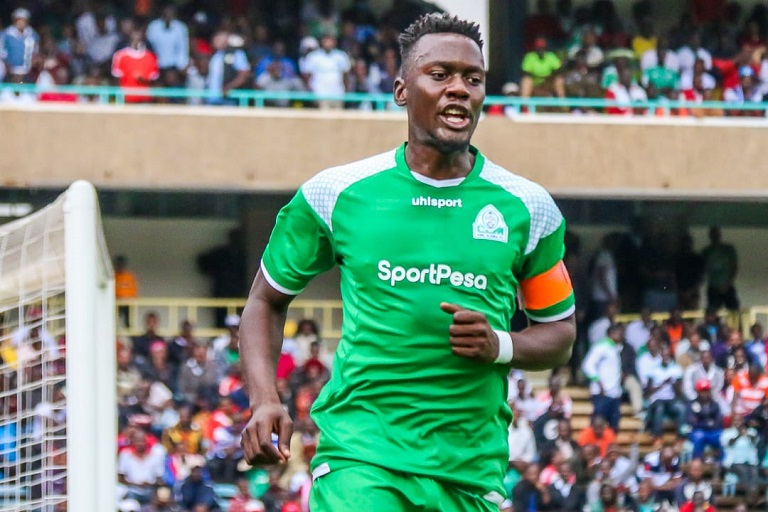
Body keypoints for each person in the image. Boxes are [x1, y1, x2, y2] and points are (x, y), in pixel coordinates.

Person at [239, 13, 576, 512]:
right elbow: (265, 301)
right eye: (439, 75)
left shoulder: (529, 207)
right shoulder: (336, 193)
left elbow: (559, 333)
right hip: (361, 459)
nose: (458, 88)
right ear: (401, 90)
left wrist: (501, 344)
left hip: (469, 471)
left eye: (473, 78)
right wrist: (265, 398)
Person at [582, 323, 623, 430]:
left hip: (614, 394)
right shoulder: (601, 346)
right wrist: (598, 382)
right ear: (611, 333)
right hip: (602, 393)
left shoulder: (615, 348)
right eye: (619, 333)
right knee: (596, 425)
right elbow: (587, 365)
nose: (622, 335)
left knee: (614, 426)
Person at [645, 343, 686, 444]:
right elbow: (648, 390)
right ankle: (658, 436)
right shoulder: (653, 369)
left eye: (667, 354)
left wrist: (674, 384)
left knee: (682, 409)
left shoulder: (676, 369)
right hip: (657, 399)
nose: (665, 357)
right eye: (663, 354)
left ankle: (680, 437)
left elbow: (679, 392)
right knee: (659, 409)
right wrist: (663, 384)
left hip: (671, 400)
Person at [301, 34, 351, 109]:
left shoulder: (341, 56)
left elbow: (346, 76)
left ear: (334, 42)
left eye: (330, 41)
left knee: (338, 119)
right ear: (321, 42)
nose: (328, 43)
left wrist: (345, 93)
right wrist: (311, 94)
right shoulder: (313, 57)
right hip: (320, 94)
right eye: (325, 41)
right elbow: (307, 77)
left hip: (338, 94)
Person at [145, 4, 189, 88]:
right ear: (162, 12)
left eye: (171, 12)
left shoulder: (180, 27)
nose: (169, 14)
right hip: (157, 66)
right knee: (158, 93)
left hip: (174, 67)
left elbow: (183, 49)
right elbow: (149, 47)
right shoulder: (153, 26)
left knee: (174, 92)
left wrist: (181, 66)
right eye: (166, 12)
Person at [111, 29, 160, 104]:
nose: (136, 40)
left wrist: (143, 79)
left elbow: (154, 81)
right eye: (134, 38)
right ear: (129, 38)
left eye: (139, 38)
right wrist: (119, 98)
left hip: (145, 100)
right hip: (126, 99)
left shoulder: (151, 57)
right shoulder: (120, 55)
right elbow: (116, 79)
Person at [701, 226, 739, 310]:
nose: (715, 237)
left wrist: (728, 283)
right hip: (713, 287)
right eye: (713, 235)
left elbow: (734, 267)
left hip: (728, 286)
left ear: (720, 235)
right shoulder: (706, 251)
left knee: (734, 311)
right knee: (712, 313)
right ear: (710, 236)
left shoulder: (728, 249)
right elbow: (703, 270)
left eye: (716, 234)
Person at [687, 379, 724, 460]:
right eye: (702, 391)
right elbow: (693, 422)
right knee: (698, 436)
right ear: (698, 392)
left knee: (722, 437)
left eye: (706, 390)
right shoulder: (692, 404)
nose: (704, 393)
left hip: (713, 431)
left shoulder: (714, 405)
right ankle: (697, 460)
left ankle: (721, 463)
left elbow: (719, 422)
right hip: (698, 431)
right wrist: (708, 423)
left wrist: (702, 420)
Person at [0, 8, 39, 78]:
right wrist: (7, 66)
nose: (21, 22)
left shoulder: (33, 34)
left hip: (27, 71)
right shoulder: (6, 34)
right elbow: (2, 52)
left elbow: (35, 52)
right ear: (14, 21)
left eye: (23, 20)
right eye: (18, 20)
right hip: (9, 70)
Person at [115, 255, 139, 327]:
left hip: (127, 302)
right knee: (114, 320)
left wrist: (129, 299)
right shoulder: (114, 276)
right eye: (118, 264)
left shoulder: (129, 276)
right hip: (116, 302)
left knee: (128, 322)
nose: (120, 267)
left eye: (121, 264)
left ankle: (130, 335)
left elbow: (133, 289)